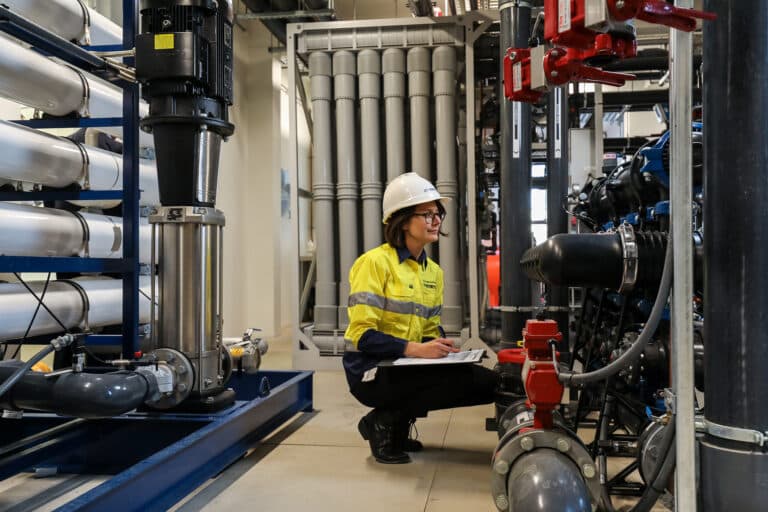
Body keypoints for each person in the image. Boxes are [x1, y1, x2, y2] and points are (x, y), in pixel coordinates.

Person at [343, 172, 499, 464]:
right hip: (370, 371)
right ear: (401, 220)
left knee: (487, 382)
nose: (436, 220)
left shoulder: (433, 272)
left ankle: (395, 421)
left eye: (438, 213)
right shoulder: (374, 263)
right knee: (470, 381)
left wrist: (440, 346)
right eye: (427, 214)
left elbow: (427, 330)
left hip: (404, 365)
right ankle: (384, 421)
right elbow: (362, 336)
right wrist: (416, 349)